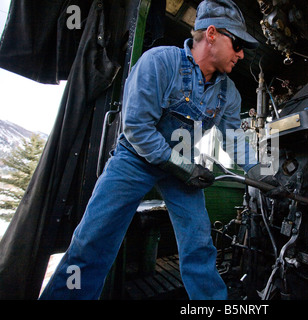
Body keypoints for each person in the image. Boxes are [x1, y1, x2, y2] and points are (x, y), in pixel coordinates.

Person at [39, 0, 260, 300]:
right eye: (236, 44)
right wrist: (183, 167)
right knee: (94, 238)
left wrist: (260, 170)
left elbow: (233, 138)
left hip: (184, 165)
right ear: (211, 34)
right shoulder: (159, 62)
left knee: (199, 244)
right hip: (135, 158)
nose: (241, 54)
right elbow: (137, 128)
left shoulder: (228, 93)